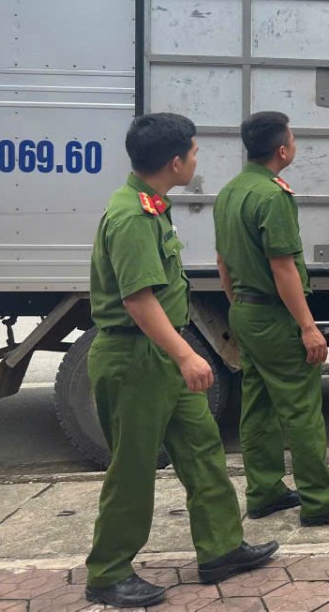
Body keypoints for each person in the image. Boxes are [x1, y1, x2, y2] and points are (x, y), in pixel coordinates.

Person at [85, 113, 277, 609]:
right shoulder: (131, 217)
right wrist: (188, 353)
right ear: (175, 162)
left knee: (203, 451)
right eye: (193, 152)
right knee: (132, 469)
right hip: (135, 358)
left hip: (159, 356)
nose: (197, 159)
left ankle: (222, 549)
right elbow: (139, 301)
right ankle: (107, 573)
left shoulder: (151, 205)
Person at [214, 112, 329, 527]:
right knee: (301, 409)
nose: (295, 144)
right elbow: (283, 267)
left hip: (246, 312)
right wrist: (307, 326)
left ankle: (264, 491)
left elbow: (223, 261)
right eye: (293, 138)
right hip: (274, 315)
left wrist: (238, 304)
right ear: (282, 150)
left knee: (259, 403)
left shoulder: (231, 191)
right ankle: (320, 500)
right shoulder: (272, 196)